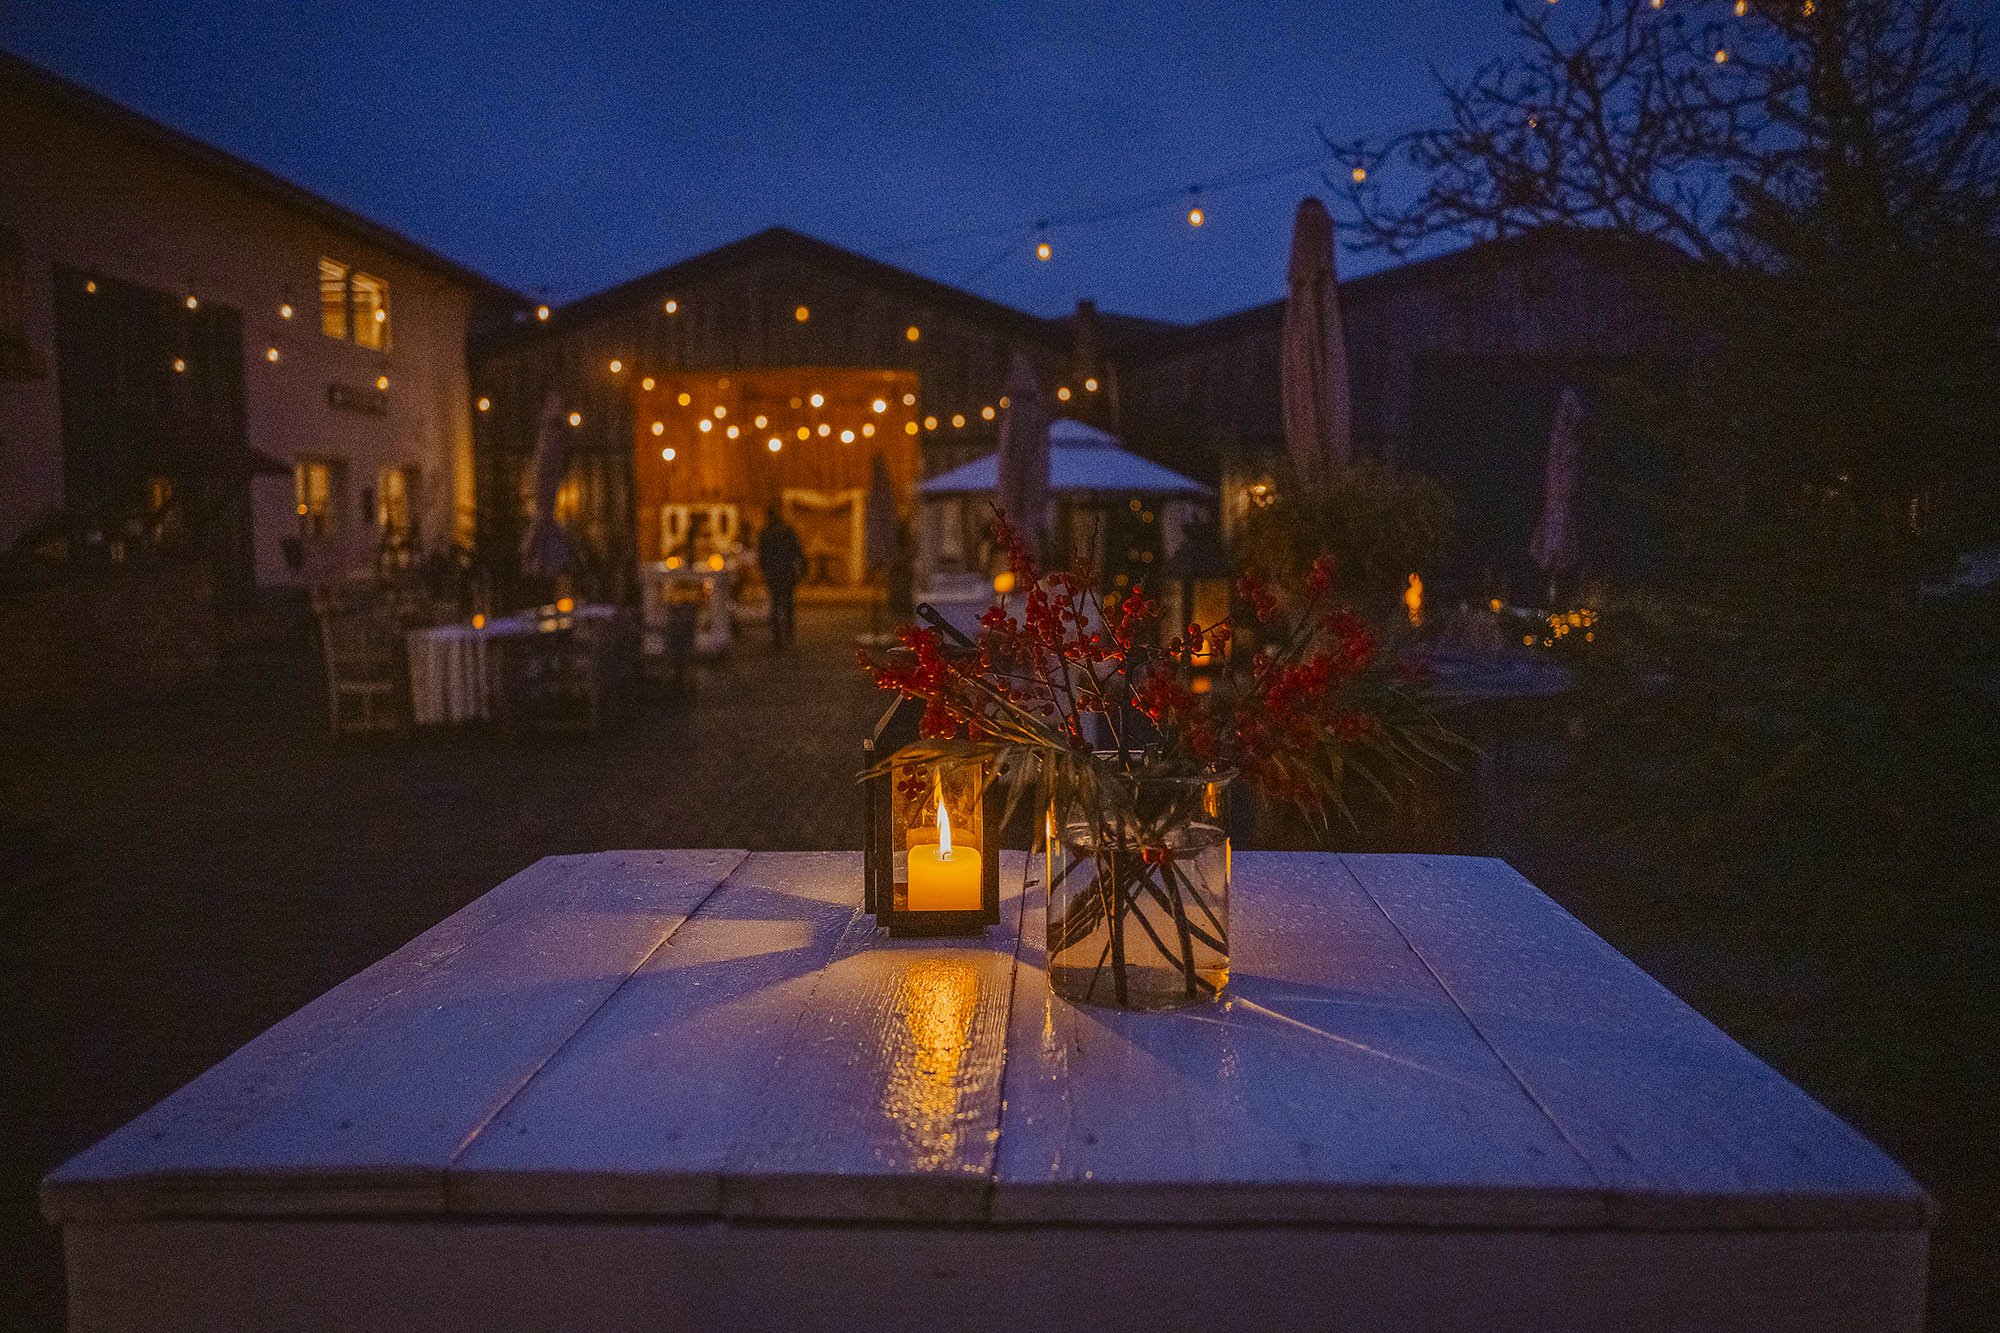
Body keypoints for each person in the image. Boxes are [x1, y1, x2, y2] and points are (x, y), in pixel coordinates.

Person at [756, 504, 805, 648]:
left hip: (773, 573)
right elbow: (797, 550)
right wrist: (801, 568)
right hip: (787, 572)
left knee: (775, 604)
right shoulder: (787, 531)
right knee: (788, 604)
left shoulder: (765, 533)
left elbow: (762, 556)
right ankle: (789, 635)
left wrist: (764, 571)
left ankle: (777, 637)